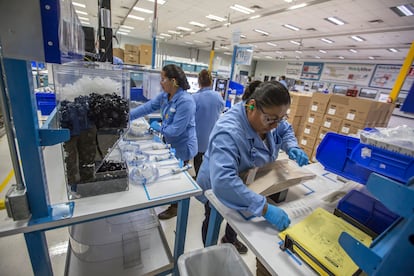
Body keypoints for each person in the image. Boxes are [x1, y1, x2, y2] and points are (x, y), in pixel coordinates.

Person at [196, 81, 309, 254]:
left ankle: (230, 239)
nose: (275, 125)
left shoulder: (271, 119)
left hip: (246, 179)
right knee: (213, 217)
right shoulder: (228, 132)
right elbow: (224, 182)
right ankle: (210, 252)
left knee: (241, 211)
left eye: (281, 118)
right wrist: (264, 208)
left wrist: (292, 146)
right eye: (271, 119)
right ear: (252, 106)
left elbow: (285, 130)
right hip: (216, 182)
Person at [130, 64, 198, 219]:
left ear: (173, 81)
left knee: (178, 176)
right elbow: (147, 107)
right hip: (170, 142)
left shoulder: (186, 101)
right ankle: (171, 198)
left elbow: (176, 130)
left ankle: (175, 207)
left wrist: (157, 127)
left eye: (163, 79)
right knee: (170, 172)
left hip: (183, 145)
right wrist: (128, 116)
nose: (160, 82)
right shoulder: (165, 96)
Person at [192, 69, 225, 176]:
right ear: (211, 82)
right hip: (212, 138)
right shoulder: (218, 97)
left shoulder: (194, 98)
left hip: (197, 138)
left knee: (197, 161)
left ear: (199, 82)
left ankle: (198, 179)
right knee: (208, 161)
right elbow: (221, 110)